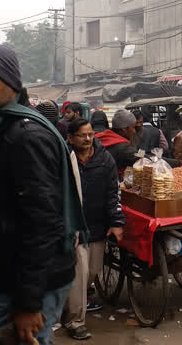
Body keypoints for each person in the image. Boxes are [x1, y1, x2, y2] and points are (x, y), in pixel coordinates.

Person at [0, 44, 87, 345]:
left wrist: (28, 302)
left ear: (11, 82)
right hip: (12, 279)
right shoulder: (1, 128)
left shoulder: (25, 137)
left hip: (29, 282)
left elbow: (42, 224)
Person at [63, 118, 124, 341]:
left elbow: (113, 192)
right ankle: (75, 321)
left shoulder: (104, 158)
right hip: (74, 227)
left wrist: (117, 222)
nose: (88, 139)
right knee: (79, 276)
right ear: (70, 138)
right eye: (82, 135)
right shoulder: (63, 159)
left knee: (92, 272)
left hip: (98, 226)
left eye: (90, 134)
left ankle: (68, 305)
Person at [95, 109, 139, 176]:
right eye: (133, 127)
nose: (134, 131)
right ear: (124, 130)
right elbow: (140, 159)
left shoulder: (101, 137)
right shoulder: (123, 148)